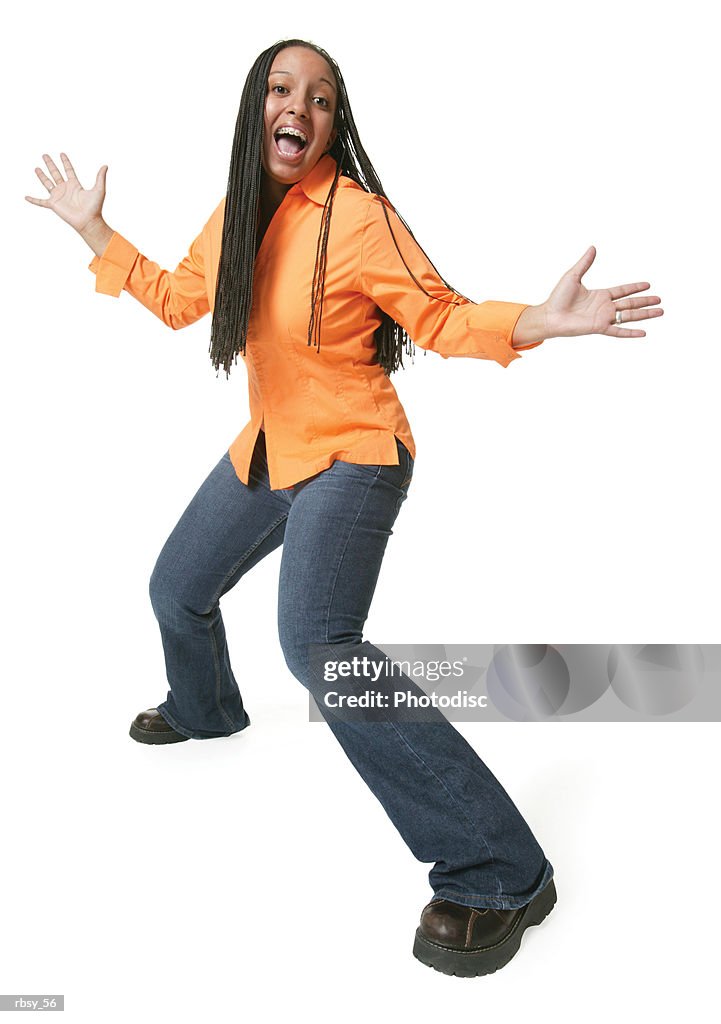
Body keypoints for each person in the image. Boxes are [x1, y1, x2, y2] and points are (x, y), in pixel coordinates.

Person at [25, 37, 663, 978]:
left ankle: (502, 871)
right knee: (175, 589)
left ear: (333, 123)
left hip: (355, 453)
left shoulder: (357, 216)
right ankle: (206, 710)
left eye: (321, 98)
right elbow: (173, 300)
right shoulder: (242, 212)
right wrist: (94, 231)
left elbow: (441, 318)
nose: (300, 107)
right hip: (274, 447)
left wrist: (539, 319)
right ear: (258, 109)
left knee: (320, 643)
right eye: (283, 90)